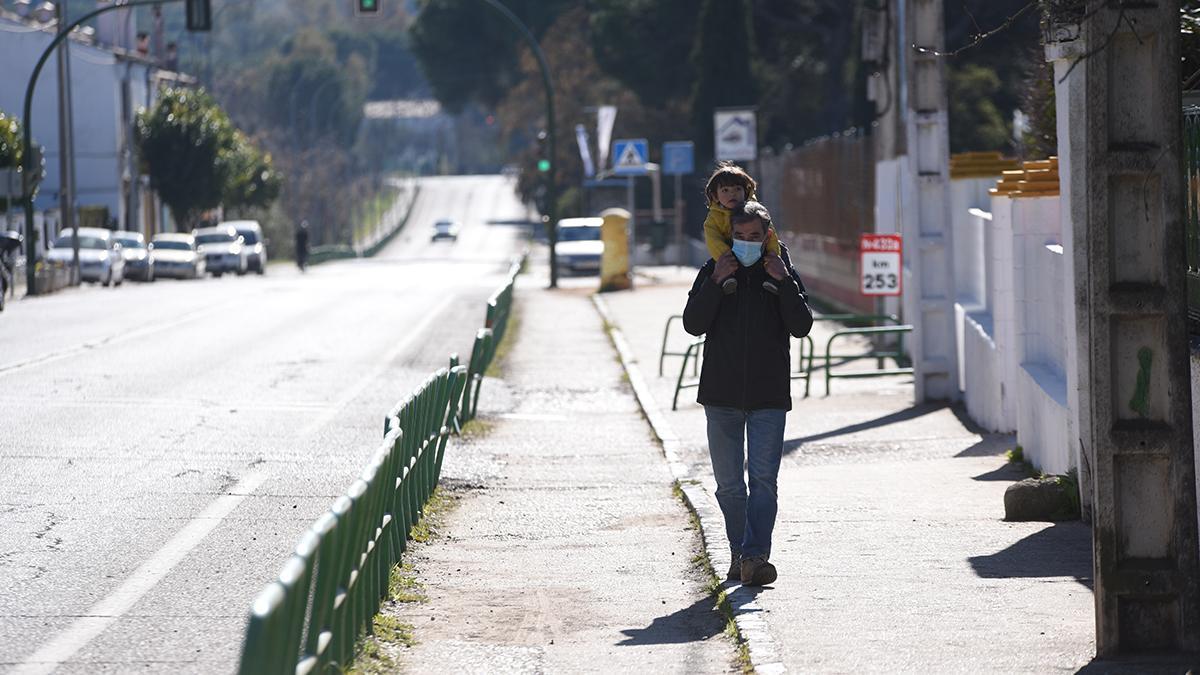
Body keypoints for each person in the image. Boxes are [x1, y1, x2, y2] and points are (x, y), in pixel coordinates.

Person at [682, 201, 813, 586]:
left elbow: (802, 325)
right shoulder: (714, 269)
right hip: (720, 395)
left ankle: (755, 555)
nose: (747, 243)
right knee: (728, 485)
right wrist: (715, 281)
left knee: (764, 481)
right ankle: (740, 551)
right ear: (729, 236)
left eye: (754, 237)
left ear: (767, 236)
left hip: (768, 396)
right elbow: (693, 324)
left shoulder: (780, 272)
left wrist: (785, 282)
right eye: (740, 236)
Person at [702, 162, 782, 295]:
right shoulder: (713, 218)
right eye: (725, 190)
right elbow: (713, 240)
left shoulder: (757, 213)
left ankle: (773, 280)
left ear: (746, 191)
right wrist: (727, 256)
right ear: (715, 195)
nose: (732, 194)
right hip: (728, 259)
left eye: (737, 189)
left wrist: (774, 254)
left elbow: (771, 235)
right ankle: (728, 280)